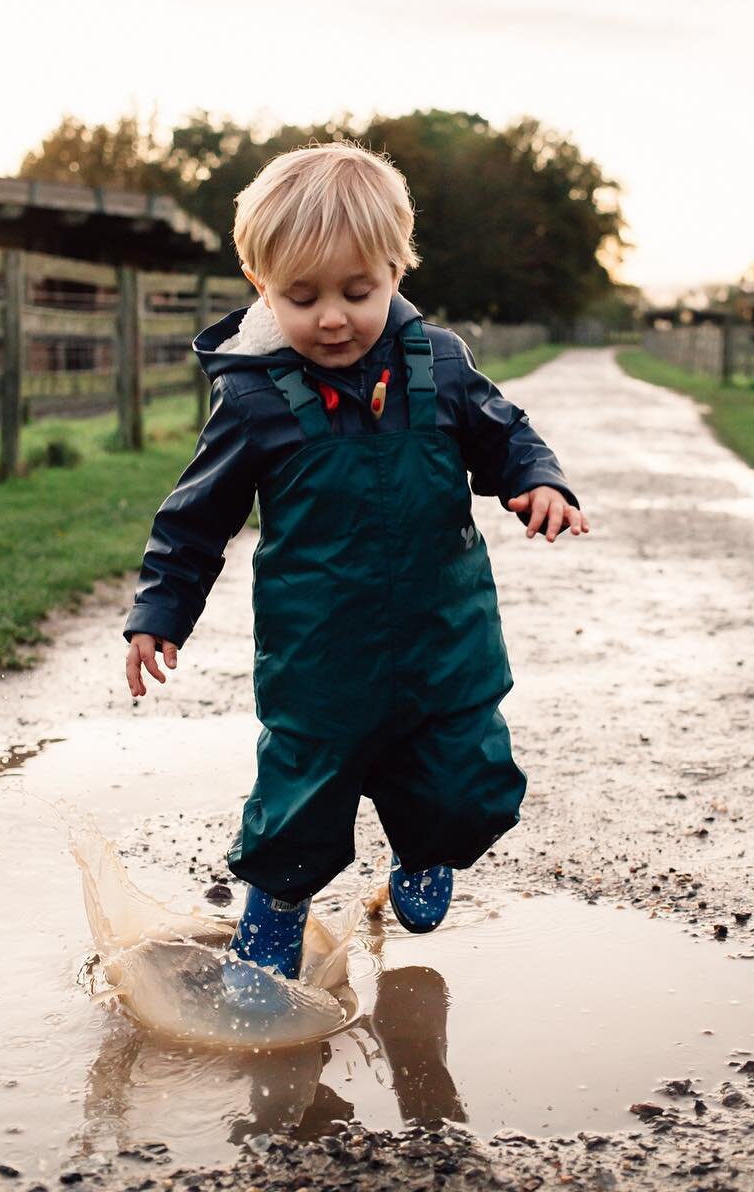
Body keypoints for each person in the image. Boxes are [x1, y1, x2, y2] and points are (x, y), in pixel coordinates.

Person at [122, 141, 589, 991]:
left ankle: (425, 847)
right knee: (300, 793)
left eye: (357, 292)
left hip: (443, 642)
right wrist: (160, 610)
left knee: (461, 784)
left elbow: (506, 434)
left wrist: (538, 481)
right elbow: (197, 518)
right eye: (301, 298)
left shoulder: (437, 365)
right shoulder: (256, 396)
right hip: (321, 655)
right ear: (262, 286)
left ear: (395, 270)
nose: (332, 317)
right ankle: (275, 913)